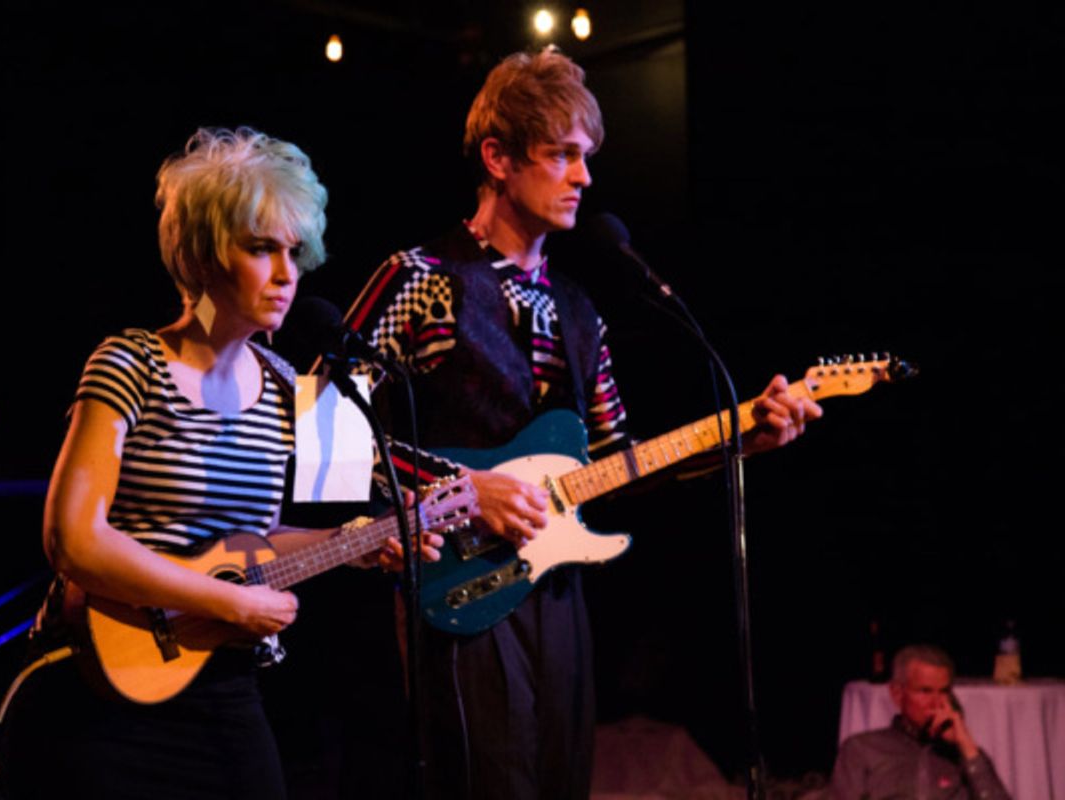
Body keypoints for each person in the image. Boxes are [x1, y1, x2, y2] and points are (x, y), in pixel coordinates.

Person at [342, 48, 822, 799]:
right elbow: (328, 428)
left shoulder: (579, 308)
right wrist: (464, 489)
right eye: (562, 154)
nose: (584, 177)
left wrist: (742, 439)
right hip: (452, 582)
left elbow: (617, 459)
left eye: (587, 157)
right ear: (498, 158)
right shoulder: (420, 278)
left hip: (554, 592)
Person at [0, 126, 437, 800]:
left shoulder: (290, 386)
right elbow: (72, 539)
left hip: (223, 690)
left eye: (295, 251)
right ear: (203, 256)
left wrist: (359, 543)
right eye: (262, 249)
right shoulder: (129, 363)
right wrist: (230, 599)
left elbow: (247, 549)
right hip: (99, 692)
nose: (288, 274)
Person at [830, 644, 1011, 800]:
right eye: (925, 691)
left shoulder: (966, 755)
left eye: (944, 691)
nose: (937, 702)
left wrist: (967, 745)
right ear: (897, 694)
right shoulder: (862, 749)